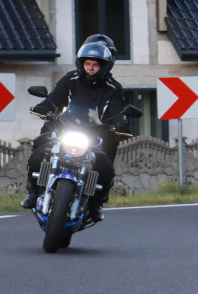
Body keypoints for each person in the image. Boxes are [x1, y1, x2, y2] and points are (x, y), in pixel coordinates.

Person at [21, 36, 129, 222]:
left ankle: (96, 202)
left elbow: (117, 110)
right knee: (40, 150)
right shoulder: (70, 79)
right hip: (65, 128)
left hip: (93, 134)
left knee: (104, 164)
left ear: (105, 66)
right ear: (81, 63)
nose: (91, 68)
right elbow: (55, 97)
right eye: (87, 63)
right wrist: (43, 106)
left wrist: (119, 122)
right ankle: (33, 190)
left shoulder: (113, 88)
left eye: (95, 64)